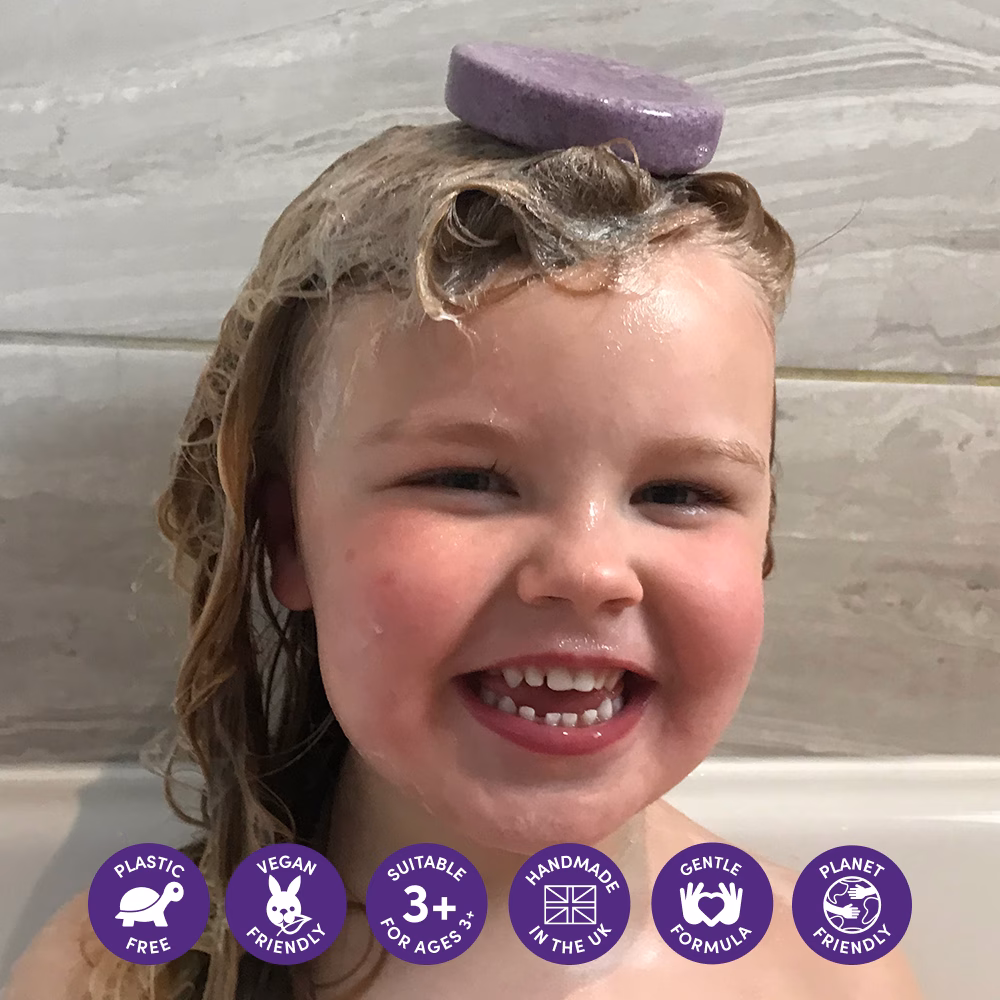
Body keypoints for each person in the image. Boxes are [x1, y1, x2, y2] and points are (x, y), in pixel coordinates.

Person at [4, 120, 925, 999]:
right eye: (469, 480)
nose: (591, 569)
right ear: (288, 539)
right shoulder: (127, 970)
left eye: (682, 493)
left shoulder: (831, 968)